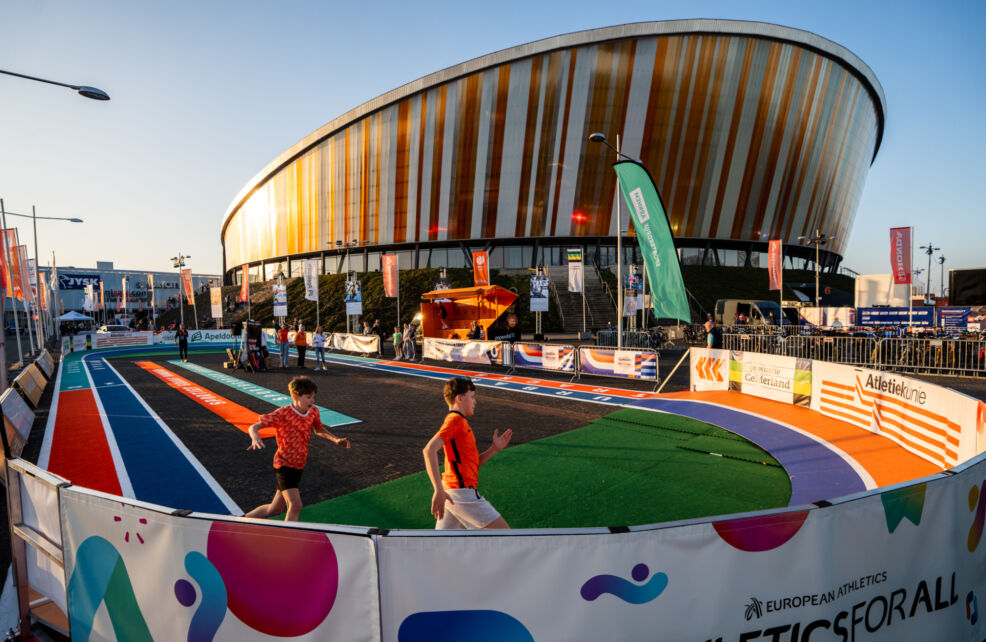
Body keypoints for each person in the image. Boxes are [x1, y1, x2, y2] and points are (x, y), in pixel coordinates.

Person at [245, 376, 351, 521]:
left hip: (299, 464)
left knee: (275, 509)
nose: (312, 400)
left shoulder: (313, 412)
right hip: (284, 464)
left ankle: (242, 519)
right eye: (308, 397)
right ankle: (286, 540)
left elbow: (319, 429)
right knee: (295, 506)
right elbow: (254, 426)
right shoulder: (283, 413)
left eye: (313, 397)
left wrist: (336, 439)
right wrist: (255, 436)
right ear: (296, 397)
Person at [422, 377, 512, 530]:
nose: (474, 402)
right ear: (459, 398)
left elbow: (471, 464)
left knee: (442, 549)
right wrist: (437, 490)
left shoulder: (459, 423)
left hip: (451, 495)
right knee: (506, 535)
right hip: (462, 494)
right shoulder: (455, 421)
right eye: (472, 397)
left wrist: (494, 449)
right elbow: (429, 450)